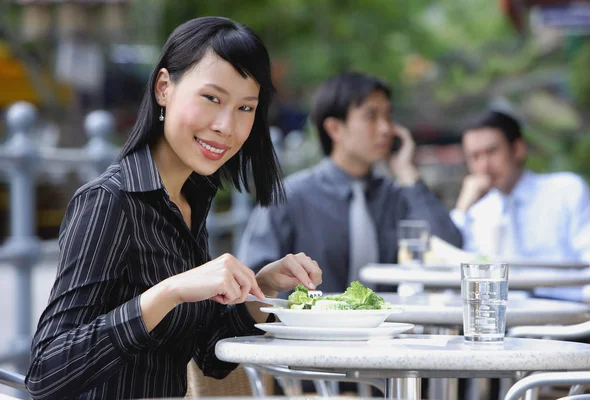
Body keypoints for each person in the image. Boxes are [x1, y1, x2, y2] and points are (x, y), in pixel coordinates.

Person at [26, 17, 322, 400]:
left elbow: (210, 358)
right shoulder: (111, 201)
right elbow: (46, 372)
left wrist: (262, 287)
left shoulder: (191, 199)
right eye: (212, 98)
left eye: (245, 108)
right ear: (164, 88)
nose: (226, 126)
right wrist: (169, 291)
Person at [238, 72, 462, 294]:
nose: (385, 128)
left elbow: (450, 246)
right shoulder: (290, 196)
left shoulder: (395, 195)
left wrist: (406, 171)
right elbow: (253, 279)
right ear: (334, 128)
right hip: (307, 328)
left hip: (385, 326)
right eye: (371, 116)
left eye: (388, 116)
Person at [451, 109, 590, 301]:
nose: (484, 166)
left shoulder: (564, 190)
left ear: (518, 149)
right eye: (474, 156)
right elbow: (449, 264)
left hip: (569, 316)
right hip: (504, 320)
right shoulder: (478, 211)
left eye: (492, 151)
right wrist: (462, 208)